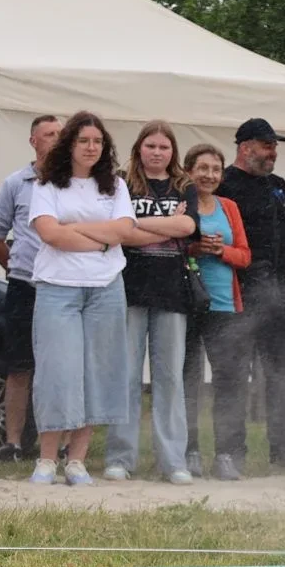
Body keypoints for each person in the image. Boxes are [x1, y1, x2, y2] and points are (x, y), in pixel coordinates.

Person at [24, 110, 135, 487]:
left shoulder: (115, 186)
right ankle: (46, 459)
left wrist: (79, 229)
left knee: (96, 372)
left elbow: (123, 230)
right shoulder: (47, 184)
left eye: (98, 141)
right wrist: (100, 240)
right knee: (58, 371)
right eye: (84, 140)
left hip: (106, 286)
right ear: (69, 144)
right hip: (58, 286)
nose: (91, 147)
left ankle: (77, 460)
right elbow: (50, 234)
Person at [107, 122, 199, 483]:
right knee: (126, 376)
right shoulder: (122, 183)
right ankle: (120, 457)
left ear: (172, 151)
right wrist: (166, 223)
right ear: (139, 148)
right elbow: (120, 233)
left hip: (172, 291)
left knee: (169, 378)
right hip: (130, 289)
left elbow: (188, 228)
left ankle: (173, 460)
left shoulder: (184, 185)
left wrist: (138, 225)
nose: (157, 152)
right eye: (151, 146)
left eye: (164, 147)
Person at [217, 118, 285, 471]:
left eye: (274, 147)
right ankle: (232, 451)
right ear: (245, 147)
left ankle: (283, 450)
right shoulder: (224, 184)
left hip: (279, 296)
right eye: (267, 146)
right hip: (238, 295)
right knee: (233, 376)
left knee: (281, 376)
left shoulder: (280, 187)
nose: (273, 153)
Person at [0, 113, 61, 460]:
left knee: (59, 367)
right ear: (33, 141)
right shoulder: (16, 183)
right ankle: (13, 442)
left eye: (60, 133)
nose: (57, 139)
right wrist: (16, 265)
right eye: (49, 134)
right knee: (19, 366)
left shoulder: (75, 183)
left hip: (62, 285)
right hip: (24, 285)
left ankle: (57, 443)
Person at [180, 143, 252, 481]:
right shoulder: (182, 205)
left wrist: (222, 251)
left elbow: (245, 256)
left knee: (228, 381)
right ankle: (189, 450)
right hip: (187, 303)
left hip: (225, 305)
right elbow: (173, 247)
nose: (209, 175)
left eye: (215, 169)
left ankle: (225, 453)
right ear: (188, 171)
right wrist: (196, 248)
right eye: (203, 168)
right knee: (188, 380)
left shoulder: (230, 207)